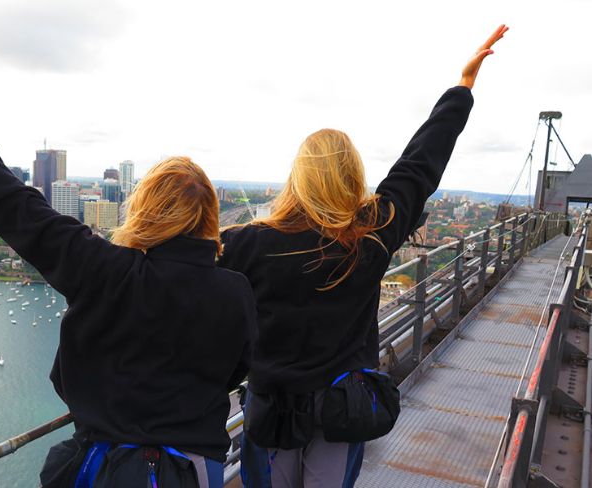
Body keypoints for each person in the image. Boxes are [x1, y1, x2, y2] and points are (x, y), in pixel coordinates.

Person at [0, 83, 257, 487]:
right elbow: (237, 369)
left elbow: (16, 205)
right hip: (193, 469)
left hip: (106, 465)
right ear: (209, 215)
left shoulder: (105, 269)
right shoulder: (234, 291)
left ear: (145, 210)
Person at [217, 25, 509, 488]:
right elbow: (419, 166)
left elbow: (184, 282)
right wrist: (462, 88)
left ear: (296, 178)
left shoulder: (247, 243)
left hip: (271, 407)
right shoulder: (369, 235)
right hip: (341, 407)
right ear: (353, 175)